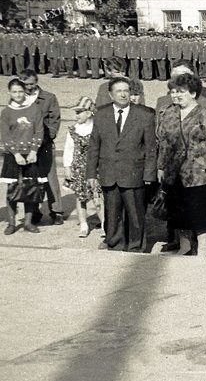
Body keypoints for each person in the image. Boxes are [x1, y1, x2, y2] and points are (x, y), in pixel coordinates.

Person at [86, 77, 158, 251]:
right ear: (111, 94)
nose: (123, 94)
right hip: (109, 172)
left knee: (135, 214)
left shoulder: (144, 115)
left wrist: (149, 174)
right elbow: (94, 146)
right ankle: (115, 243)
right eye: (119, 91)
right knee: (112, 212)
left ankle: (135, 246)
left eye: (126, 90)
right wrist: (91, 174)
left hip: (134, 172)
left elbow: (150, 148)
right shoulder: (101, 114)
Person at [157, 72, 206, 257]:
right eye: (173, 91)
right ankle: (185, 246)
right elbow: (163, 142)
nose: (176, 95)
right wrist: (161, 167)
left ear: (193, 93)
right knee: (178, 211)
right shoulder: (168, 112)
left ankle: (201, 248)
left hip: (198, 171)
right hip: (174, 170)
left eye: (181, 92)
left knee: (200, 212)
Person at [1, 78, 47, 234]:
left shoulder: (34, 109)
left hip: (31, 154)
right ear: (9, 93)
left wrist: (34, 150)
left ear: (25, 91)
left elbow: (39, 130)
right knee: (12, 188)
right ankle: (12, 223)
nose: (18, 94)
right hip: (13, 155)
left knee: (31, 188)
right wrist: (16, 154)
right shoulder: (6, 112)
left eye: (20, 91)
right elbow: (5, 136)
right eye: (14, 92)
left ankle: (28, 222)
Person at [19, 70, 64, 225]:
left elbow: (55, 119)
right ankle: (33, 211)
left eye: (31, 84)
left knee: (50, 178)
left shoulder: (48, 97)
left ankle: (56, 211)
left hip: (44, 144)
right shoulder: (18, 98)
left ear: (37, 81)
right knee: (30, 179)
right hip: (26, 145)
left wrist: (47, 137)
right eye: (25, 84)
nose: (29, 87)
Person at [62, 96, 102, 238]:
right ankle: (83, 224)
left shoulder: (97, 129)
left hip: (95, 167)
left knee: (98, 197)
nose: (76, 115)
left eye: (80, 112)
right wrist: (67, 167)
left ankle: (104, 223)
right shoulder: (73, 130)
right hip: (78, 168)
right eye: (76, 112)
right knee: (80, 197)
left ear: (89, 113)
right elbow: (68, 149)